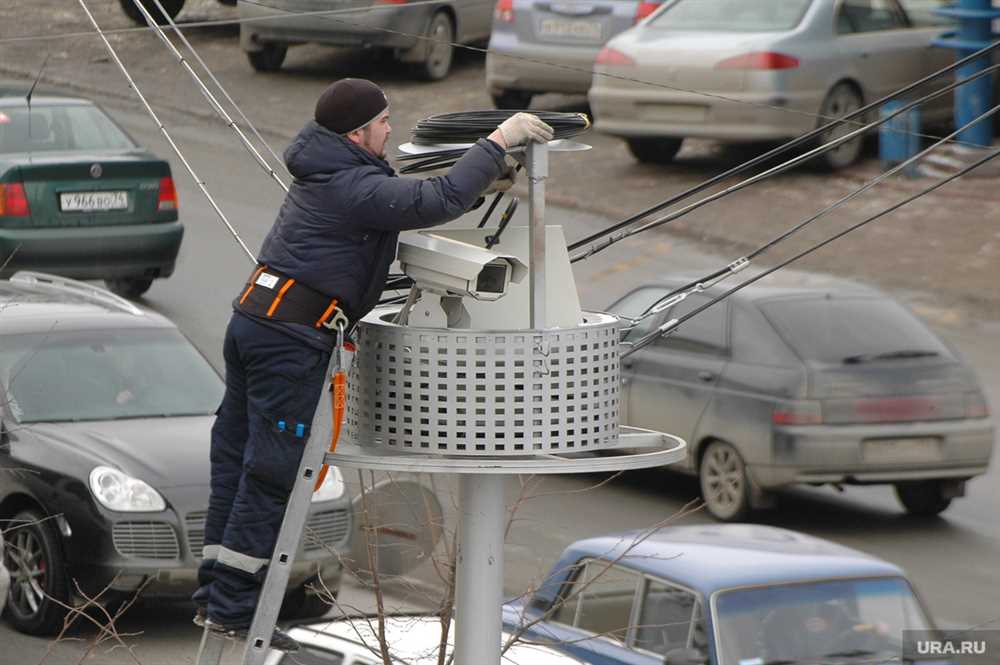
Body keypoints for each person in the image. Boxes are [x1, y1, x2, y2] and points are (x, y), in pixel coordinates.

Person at [192, 77, 554, 652]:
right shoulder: (351, 185)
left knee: (234, 461)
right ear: (358, 132)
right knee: (270, 474)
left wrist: (483, 180)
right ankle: (235, 608)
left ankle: (215, 597)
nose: (391, 128)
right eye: (384, 121)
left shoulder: (333, 172)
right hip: (290, 337)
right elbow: (428, 201)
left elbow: (406, 200)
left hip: (257, 320)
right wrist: (494, 145)